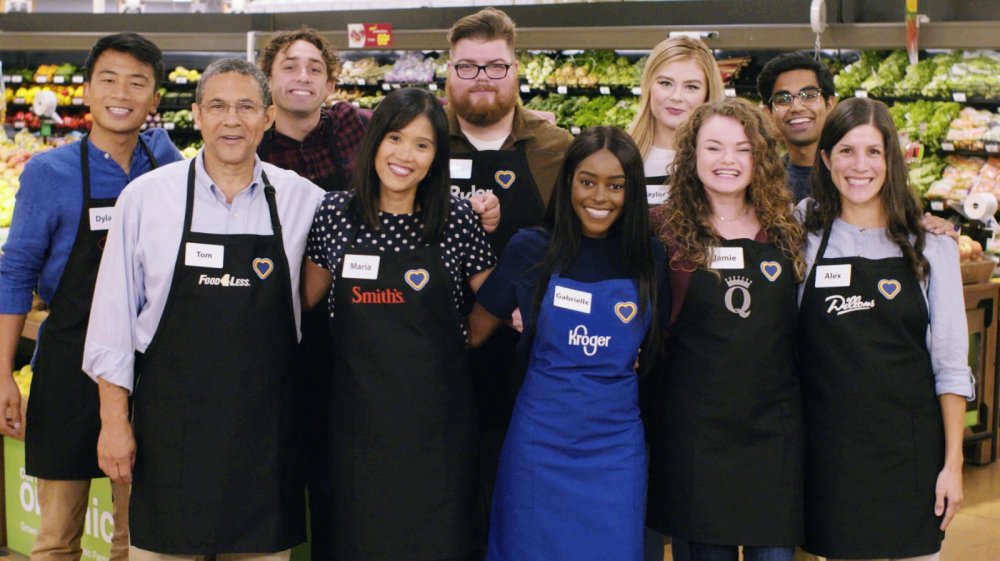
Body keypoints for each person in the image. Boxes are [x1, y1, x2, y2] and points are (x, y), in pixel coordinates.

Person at [83, 57, 324, 561]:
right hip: (170, 442)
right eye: (216, 105)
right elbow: (112, 323)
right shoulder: (146, 200)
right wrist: (113, 423)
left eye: (245, 107)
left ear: (268, 118)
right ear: (196, 115)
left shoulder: (307, 202)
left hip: (266, 442)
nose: (230, 120)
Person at [0, 32, 180, 561]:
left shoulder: (166, 162)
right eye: (108, 79)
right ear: (86, 89)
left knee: (138, 533)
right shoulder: (47, 173)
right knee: (57, 537)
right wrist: (4, 372)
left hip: (149, 364)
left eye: (137, 82)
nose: (121, 92)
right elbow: (15, 274)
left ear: (153, 99)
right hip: (68, 362)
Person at [301, 87, 495, 561]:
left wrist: (468, 335)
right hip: (357, 430)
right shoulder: (334, 215)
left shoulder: (455, 220)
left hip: (437, 432)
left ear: (435, 157)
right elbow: (306, 298)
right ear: (374, 144)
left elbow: (493, 297)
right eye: (395, 138)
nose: (405, 155)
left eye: (423, 144)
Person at [468, 126, 668, 561]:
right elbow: (476, 332)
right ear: (568, 183)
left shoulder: (650, 257)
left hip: (616, 450)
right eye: (587, 181)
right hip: (539, 444)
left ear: (631, 191)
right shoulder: (531, 248)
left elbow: (656, 349)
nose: (600, 197)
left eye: (616, 185)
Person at [798, 97, 973, 561]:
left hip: (911, 460)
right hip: (830, 460)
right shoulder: (802, 234)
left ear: (890, 160)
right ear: (825, 158)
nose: (860, 166)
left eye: (874, 152)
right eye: (847, 151)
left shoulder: (931, 245)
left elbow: (952, 366)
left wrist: (953, 465)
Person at [646, 98, 805, 561]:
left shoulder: (789, 231)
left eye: (742, 149)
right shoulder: (662, 230)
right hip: (695, 436)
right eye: (713, 147)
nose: (728, 161)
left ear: (761, 158)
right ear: (691, 154)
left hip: (772, 435)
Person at [444, 7, 574, 534]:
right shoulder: (418, 143)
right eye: (468, 67)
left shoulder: (556, 150)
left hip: (531, 360)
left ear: (517, 70)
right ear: (448, 72)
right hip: (440, 351)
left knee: (526, 503)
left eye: (495, 67)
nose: (482, 79)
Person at [628, 36, 724, 206]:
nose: (676, 97)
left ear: (707, 94)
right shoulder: (620, 155)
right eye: (665, 83)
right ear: (648, 85)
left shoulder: (722, 162)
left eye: (691, 87)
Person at [756, 51, 836, 201]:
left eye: (809, 96)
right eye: (783, 99)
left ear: (830, 104)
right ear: (768, 114)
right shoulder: (762, 185)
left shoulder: (854, 176)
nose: (797, 107)